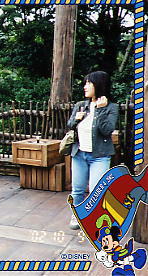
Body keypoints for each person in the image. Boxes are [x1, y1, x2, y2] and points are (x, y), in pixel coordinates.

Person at [66, 71, 119, 230]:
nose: (85, 86)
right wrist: (76, 119)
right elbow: (70, 126)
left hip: (100, 156)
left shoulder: (111, 107)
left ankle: (95, 219)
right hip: (79, 154)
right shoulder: (80, 105)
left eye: (89, 83)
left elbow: (107, 130)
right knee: (78, 189)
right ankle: (77, 216)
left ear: (99, 85)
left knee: (97, 190)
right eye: (85, 83)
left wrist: (100, 110)